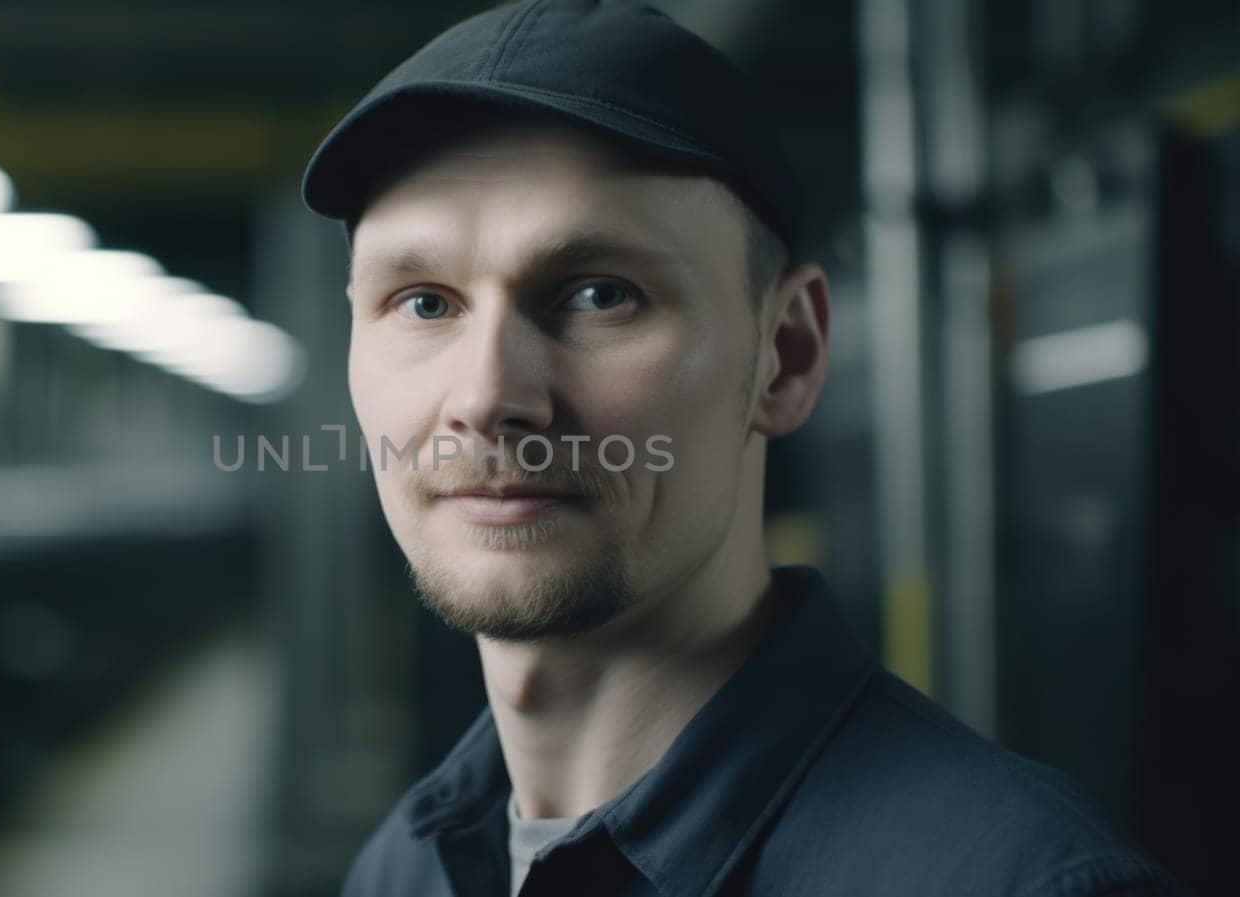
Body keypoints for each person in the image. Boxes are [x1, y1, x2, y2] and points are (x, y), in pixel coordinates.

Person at [299, 2, 1188, 895]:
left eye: (600, 293)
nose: (488, 394)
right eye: (423, 302)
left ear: (785, 356)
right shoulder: (405, 868)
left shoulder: (1022, 881)